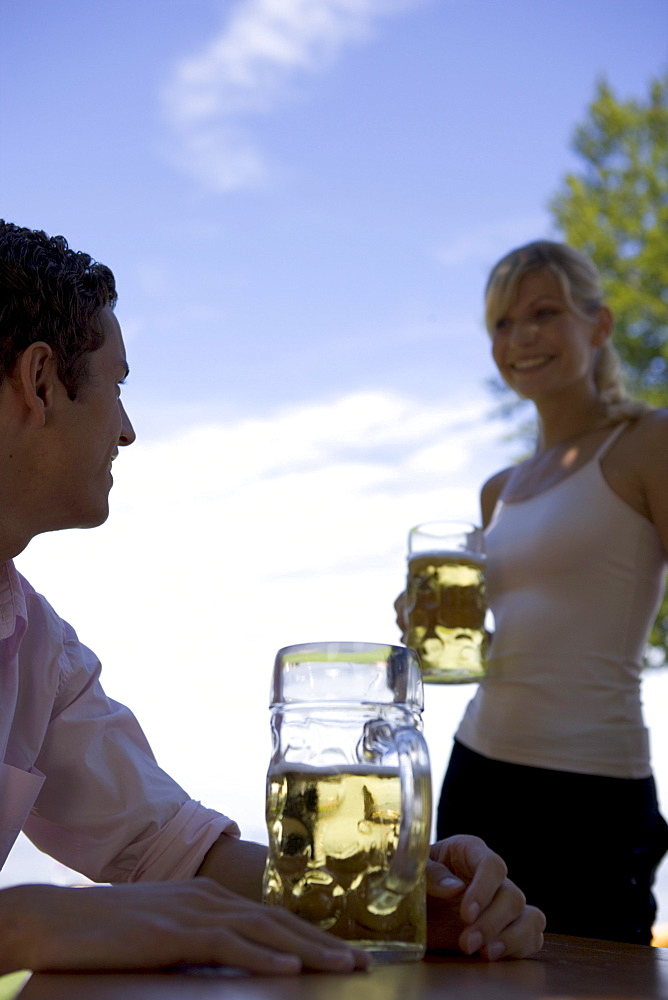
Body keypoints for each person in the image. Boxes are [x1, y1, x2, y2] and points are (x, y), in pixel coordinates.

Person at [0, 221, 545, 976]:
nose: (126, 431)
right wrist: (27, 923)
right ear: (38, 382)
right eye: (118, 385)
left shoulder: (36, 649)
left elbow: (165, 846)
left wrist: (380, 899)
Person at [419, 240, 667, 945]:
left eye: (544, 312)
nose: (521, 336)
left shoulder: (648, 442)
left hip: (594, 789)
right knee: (464, 974)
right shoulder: (499, 489)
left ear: (600, 325)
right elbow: (513, 639)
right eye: (503, 322)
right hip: (479, 774)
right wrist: (431, 630)